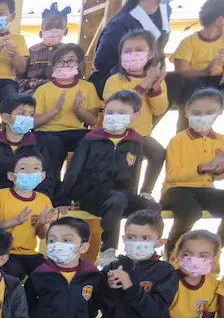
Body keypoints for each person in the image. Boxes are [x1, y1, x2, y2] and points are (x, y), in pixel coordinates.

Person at [55, 90, 160, 264]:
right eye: (110, 112)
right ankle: (107, 252)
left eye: (121, 113)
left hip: (122, 194)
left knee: (151, 207)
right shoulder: (91, 139)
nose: (113, 117)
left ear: (135, 115)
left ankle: (143, 249)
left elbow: (152, 159)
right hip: (92, 194)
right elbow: (73, 170)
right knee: (116, 200)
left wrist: (145, 191)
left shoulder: (136, 142)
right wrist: (64, 197)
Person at [89, 0, 181, 94]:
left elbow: (159, 48)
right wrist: (141, 79)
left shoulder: (165, 9)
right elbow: (102, 64)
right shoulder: (121, 24)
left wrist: (159, 71)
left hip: (149, 73)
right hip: (120, 82)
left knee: (177, 81)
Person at [104, 31, 169, 195]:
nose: (132, 54)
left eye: (138, 50)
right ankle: (129, 195)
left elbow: (159, 110)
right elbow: (120, 104)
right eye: (127, 51)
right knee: (131, 163)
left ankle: (146, 192)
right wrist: (145, 83)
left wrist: (155, 88)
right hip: (116, 133)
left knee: (158, 152)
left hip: (141, 135)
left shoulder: (157, 81)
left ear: (151, 54)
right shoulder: (115, 80)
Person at [160, 88, 224, 253]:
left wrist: (219, 170)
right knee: (191, 211)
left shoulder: (221, 140)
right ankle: (172, 249)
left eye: (209, 112)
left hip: (206, 189)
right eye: (196, 112)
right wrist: (202, 168)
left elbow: (218, 175)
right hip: (176, 190)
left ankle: (215, 250)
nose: (202, 117)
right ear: (187, 112)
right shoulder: (177, 141)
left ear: (219, 112)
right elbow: (173, 175)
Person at [0, 150, 57, 279]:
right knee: (14, 273)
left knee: (47, 274)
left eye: (35, 169)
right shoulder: (0, 196)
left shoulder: (44, 200)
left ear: (42, 176)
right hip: (5, 253)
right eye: (23, 168)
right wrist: (15, 221)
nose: (30, 173)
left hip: (30, 253)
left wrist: (44, 224)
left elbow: (42, 235)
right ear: (11, 176)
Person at [0, 93, 59, 198]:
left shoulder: (39, 144)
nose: (27, 118)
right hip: (1, 201)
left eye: (31, 115)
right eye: (22, 114)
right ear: (5, 117)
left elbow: (48, 179)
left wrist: (37, 199)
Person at [32, 44, 102, 161]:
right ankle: (53, 179)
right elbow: (33, 124)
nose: (65, 64)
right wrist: (55, 110)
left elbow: (93, 121)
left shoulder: (88, 87)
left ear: (79, 64)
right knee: (52, 143)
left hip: (75, 132)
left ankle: (75, 178)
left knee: (95, 141)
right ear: (53, 65)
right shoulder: (43, 90)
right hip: (47, 133)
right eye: (60, 61)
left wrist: (80, 110)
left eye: (70, 61)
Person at [172, 0, 224, 115]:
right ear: (219, 21)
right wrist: (205, 71)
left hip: (218, 82)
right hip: (195, 82)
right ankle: (190, 126)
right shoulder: (189, 42)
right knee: (193, 84)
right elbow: (181, 72)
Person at [20, 4, 72, 94]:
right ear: (40, 33)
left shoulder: (70, 52)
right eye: (48, 27)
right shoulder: (31, 52)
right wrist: (33, 84)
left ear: (66, 31)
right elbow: (19, 78)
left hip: (60, 92)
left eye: (58, 27)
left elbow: (74, 77)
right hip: (33, 92)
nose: (53, 30)